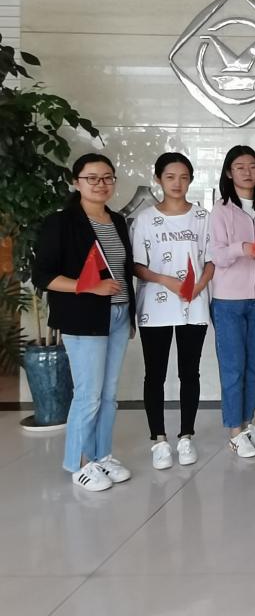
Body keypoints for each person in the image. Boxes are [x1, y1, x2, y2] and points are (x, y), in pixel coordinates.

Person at [33, 154, 135, 491]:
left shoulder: (117, 221)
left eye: (107, 177)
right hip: (83, 317)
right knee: (88, 395)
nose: (100, 184)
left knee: (108, 395)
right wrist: (87, 286)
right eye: (92, 178)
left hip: (117, 314)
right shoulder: (61, 222)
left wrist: (128, 314)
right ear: (76, 182)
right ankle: (78, 463)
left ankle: (101, 455)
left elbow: (123, 270)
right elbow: (43, 276)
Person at [133, 153, 215, 470]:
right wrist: (165, 280)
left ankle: (186, 436)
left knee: (189, 373)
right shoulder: (144, 219)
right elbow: (137, 265)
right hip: (155, 307)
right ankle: (159, 439)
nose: (177, 183)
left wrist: (199, 286)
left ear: (191, 179)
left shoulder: (202, 217)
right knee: (154, 374)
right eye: (170, 177)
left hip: (193, 305)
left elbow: (210, 260)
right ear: (158, 179)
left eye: (183, 177)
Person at [209, 146, 255, 458]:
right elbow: (217, 255)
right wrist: (242, 247)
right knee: (233, 368)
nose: (248, 172)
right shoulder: (221, 211)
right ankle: (235, 431)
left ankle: (247, 423)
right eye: (240, 167)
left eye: (253, 166)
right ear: (229, 172)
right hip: (228, 301)